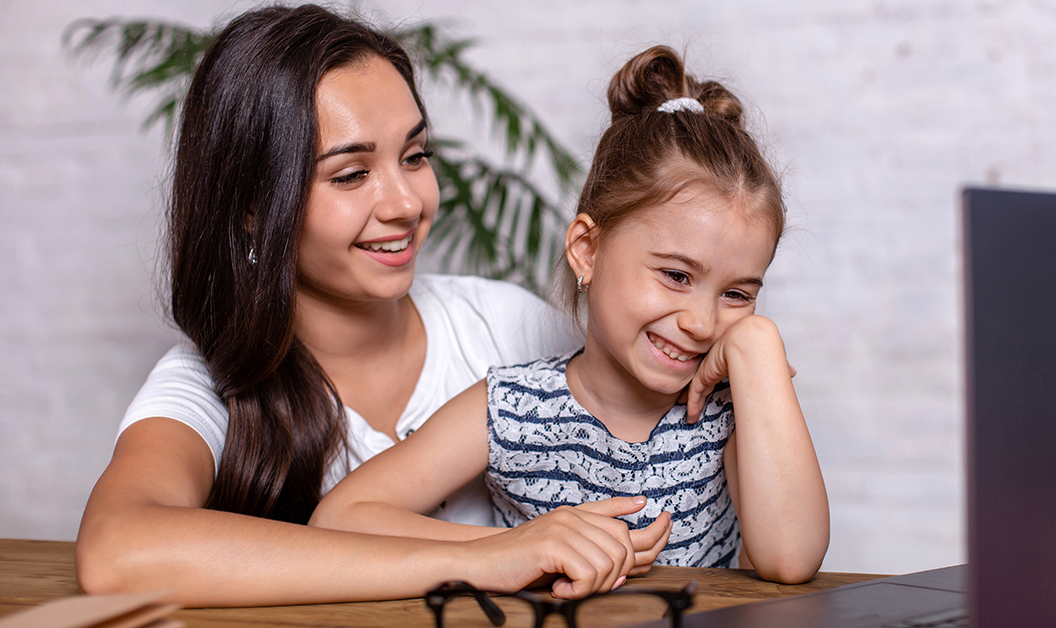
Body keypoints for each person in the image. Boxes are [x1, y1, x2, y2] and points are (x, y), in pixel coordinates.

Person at [74, 5, 670, 607]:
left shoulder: (506, 327)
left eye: (415, 157)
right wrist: (488, 555)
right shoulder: (209, 385)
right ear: (253, 207)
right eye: (352, 174)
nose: (406, 203)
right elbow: (117, 552)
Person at [311, 45, 830, 584]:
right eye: (676, 276)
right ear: (587, 249)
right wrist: (521, 546)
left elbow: (791, 559)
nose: (701, 322)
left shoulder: (729, 409)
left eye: (738, 295)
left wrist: (757, 346)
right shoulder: (511, 407)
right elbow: (339, 519)